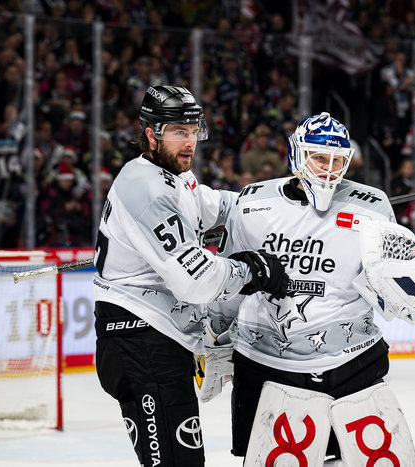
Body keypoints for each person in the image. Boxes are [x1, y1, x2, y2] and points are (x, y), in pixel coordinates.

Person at [207, 112, 415, 464]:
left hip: (351, 365)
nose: (329, 169)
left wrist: (403, 277)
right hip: (266, 366)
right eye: (319, 158)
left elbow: (402, 301)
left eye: (337, 160)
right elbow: (232, 278)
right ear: (297, 155)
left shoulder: (373, 208)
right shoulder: (251, 204)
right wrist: (214, 339)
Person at [92, 85, 289, 467]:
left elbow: (221, 207)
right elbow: (195, 280)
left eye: (193, 130)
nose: (189, 142)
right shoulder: (148, 189)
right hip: (139, 342)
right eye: (178, 131)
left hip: (154, 339)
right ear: (151, 135)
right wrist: (251, 270)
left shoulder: (172, 176)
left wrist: (283, 202)